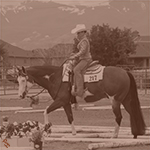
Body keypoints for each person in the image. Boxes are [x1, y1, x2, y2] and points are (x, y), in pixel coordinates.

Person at [69, 24, 92, 98]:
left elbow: (82, 51)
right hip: (83, 59)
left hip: (85, 59)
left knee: (76, 70)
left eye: (78, 33)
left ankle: (80, 90)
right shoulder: (83, 41)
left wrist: (75, 56)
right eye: (77, 33)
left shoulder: (84, 41)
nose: (77, 35)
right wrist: (74, 54)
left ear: (82, 32)